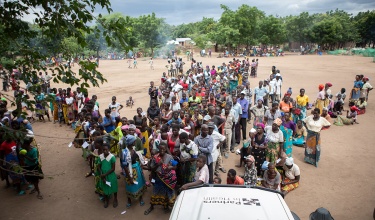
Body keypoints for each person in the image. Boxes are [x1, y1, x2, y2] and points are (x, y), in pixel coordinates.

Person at [144, 142, 177, 215]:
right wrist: (158, 164)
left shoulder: (169, 157)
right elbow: (151, 168)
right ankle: (151, 206)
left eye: (164, 149)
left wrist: (171, 167)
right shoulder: (155, 157)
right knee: (155, 192)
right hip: (158, 178)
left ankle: (166, 206)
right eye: (160, 148)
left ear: (166, 149)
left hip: (167, 178)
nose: (162, 150)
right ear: (158, 148)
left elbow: (175, 166)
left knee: (167, 192)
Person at [120, 135, 147, 208]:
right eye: (134, 141)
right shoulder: (124, 153)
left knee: (139, 184)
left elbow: (140, 157)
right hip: (129, 171)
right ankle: (129, 200)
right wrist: (129, 177)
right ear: (131, 142)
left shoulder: (134, 149)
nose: (135, 142)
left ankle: (140, 198)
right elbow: (125, 166)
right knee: (129, 185)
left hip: (137, 169)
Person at [97, 143, 118, 208]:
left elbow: (113, 168)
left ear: (109, 149)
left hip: (110, 175)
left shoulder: (112, 157)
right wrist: (101, 175)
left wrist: (105, 174)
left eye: (106, 149)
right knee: (105, 187)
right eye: (103, 150)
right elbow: (99, 167)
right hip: (103, 175)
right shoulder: (100, 156)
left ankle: (115, 199)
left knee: (114, 187)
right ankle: (106, 200)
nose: (105, 151)